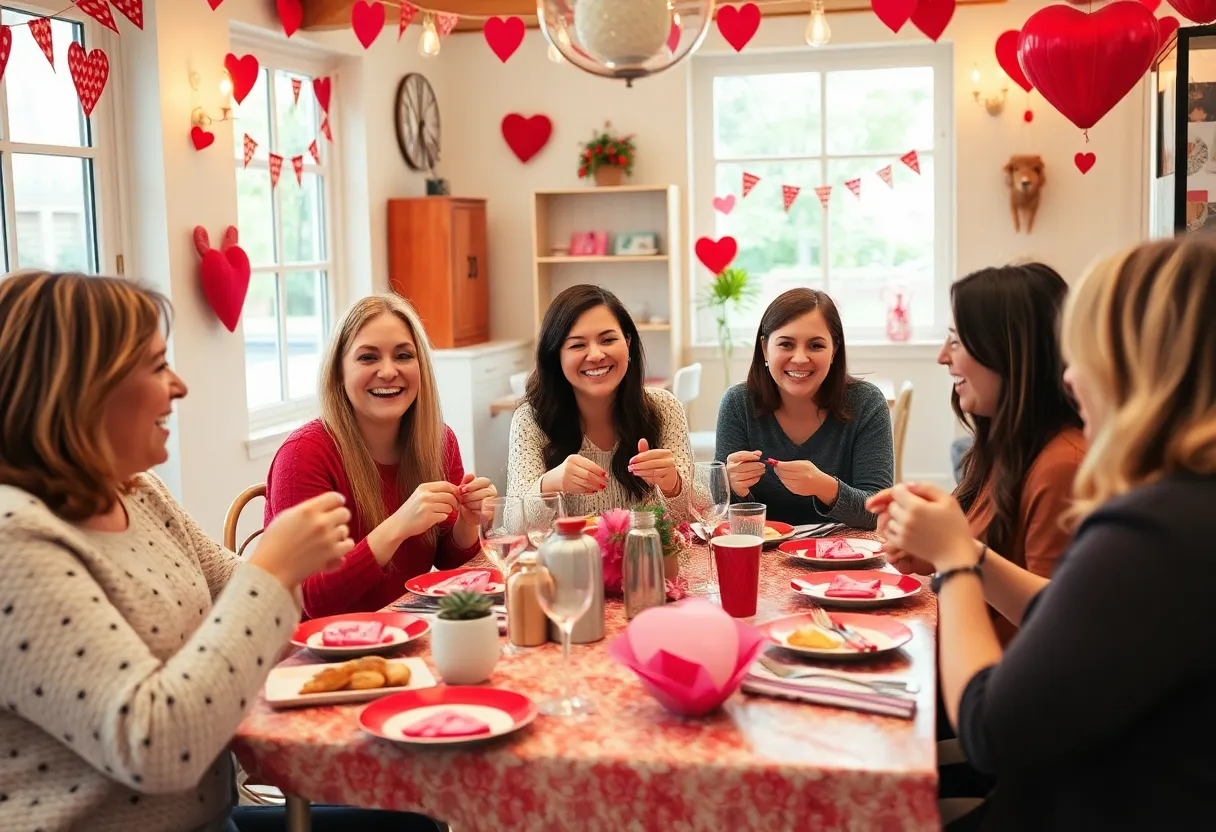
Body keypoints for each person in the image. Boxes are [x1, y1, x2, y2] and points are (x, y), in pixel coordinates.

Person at [0, 271, 421, 832]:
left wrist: (284, 573)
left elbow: (265, 616)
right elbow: (155, 746)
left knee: (413, 821)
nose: (179, 386)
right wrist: (275, 567)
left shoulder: (138, 493)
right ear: (78, 387)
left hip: (212, 815)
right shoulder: (16, 541)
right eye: (155, 366)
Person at [868, 237, 1216, 829]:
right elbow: (1078, 613)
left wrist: (954, 560)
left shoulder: (1155, 526)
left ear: (1140, 364)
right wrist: (962, 550)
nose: (1072, 378)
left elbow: (991, 730)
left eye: (1085, 353)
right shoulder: (1185, 514)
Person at [265, 294, 494, 619]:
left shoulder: (439, 442)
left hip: (399, 631)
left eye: (403, 355)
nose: (388, 372)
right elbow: (311, 601)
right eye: (368, 358)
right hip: (313, 652)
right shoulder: (303, 454)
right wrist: (399, 525)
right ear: (338, 374)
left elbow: (451, 565)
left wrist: (468, 523)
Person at [890, 264, 1086, 644]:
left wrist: (956, 551)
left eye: (956, 341)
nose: (942, 357)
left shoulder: (1064, 466)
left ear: (1008, 352)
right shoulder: (1005, 448)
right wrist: (932, 552)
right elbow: (998, 563)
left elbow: (1055, 625)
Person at [507, 284, 693, 524]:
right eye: (577, 345)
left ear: (627, 344)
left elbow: (694, 517)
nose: (595, 355)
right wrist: (549, 484)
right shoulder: (531, 419)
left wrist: (673, 486)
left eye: (607, 340)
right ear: (556, 356)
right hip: (569, 561)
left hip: (645, 560)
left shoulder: (664, 408)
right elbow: (513, 525)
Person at [715, 288, 893, 529]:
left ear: (834, 350)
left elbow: (878, 513)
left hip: (845, 556)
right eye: (786, 344)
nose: (800, 358)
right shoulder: (738, 404)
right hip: (764, 554)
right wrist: (734, 489)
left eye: (816, 346)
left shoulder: (867, 403)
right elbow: (719, 512)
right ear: (765, 349)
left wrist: (823, 486)